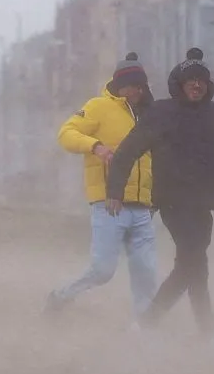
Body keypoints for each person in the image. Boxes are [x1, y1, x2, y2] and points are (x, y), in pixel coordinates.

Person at [105, 48, 214, 335]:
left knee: (195, 267)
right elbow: (127, 152)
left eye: (201, 80)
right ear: (180, 84)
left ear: (207, 85)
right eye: (190, 80)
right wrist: (115, 191)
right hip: (173, 202)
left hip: (204, 204)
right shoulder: (162, 113)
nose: (196, 85)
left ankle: (200, 333)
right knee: (193, 262)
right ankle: (159, 324)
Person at [46, 55, 158, 318]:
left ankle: (145, 325)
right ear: (122, 85)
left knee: (146, 271)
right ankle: (61, 296)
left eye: (142, 86)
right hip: (109, 203)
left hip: (143, 206)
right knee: (103, 270)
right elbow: (66, 133)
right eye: (134, 86)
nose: (139, 91)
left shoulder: (150, 114)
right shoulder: (98, 107)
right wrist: (94, 147)